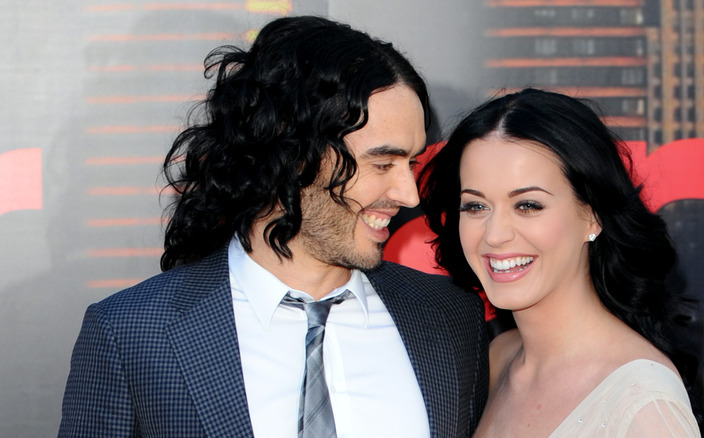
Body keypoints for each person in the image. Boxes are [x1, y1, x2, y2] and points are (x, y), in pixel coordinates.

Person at [58, 16, 488, 437]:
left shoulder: (450, 319)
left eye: (411, 163)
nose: (408, 194)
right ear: (292, 154)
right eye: (381, 163)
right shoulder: (131, 333)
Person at [419, 88, 704, 437]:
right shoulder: (496, 358)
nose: (495, 234)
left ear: (592, 215)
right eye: (476, 206)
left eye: (528, 205)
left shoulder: (644, 404)